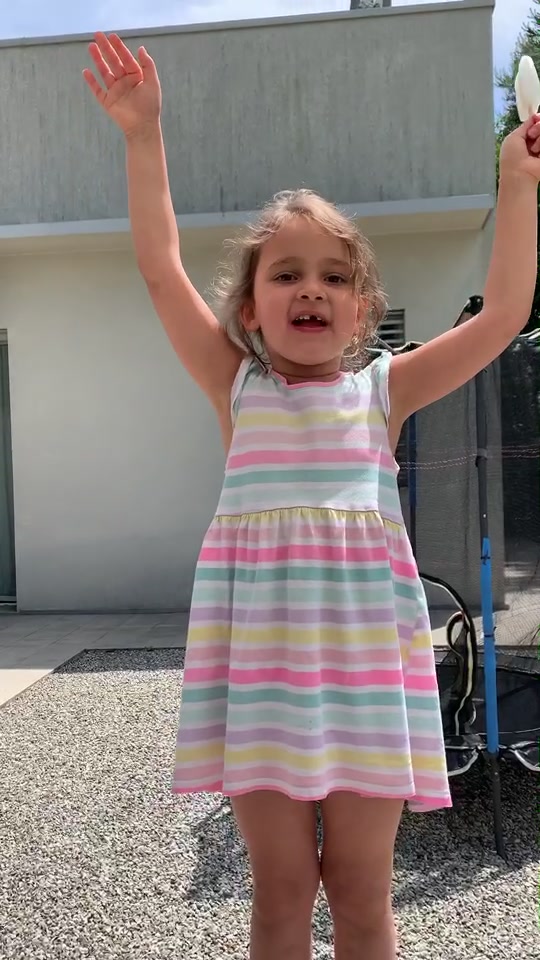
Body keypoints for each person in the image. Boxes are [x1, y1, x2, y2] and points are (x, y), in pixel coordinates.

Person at [84, 32, 540, 960]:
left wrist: (518, 179)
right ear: (250, 308)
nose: (312, 290)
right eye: (286, 274)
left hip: (369, 680)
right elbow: (160, 266)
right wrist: (142, 136)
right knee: (282, 890)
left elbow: (503, 315)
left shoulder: (383, 390)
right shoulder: (235, 385)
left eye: (335, 277)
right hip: (262, 682)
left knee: (363, 895)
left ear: (363, 311)